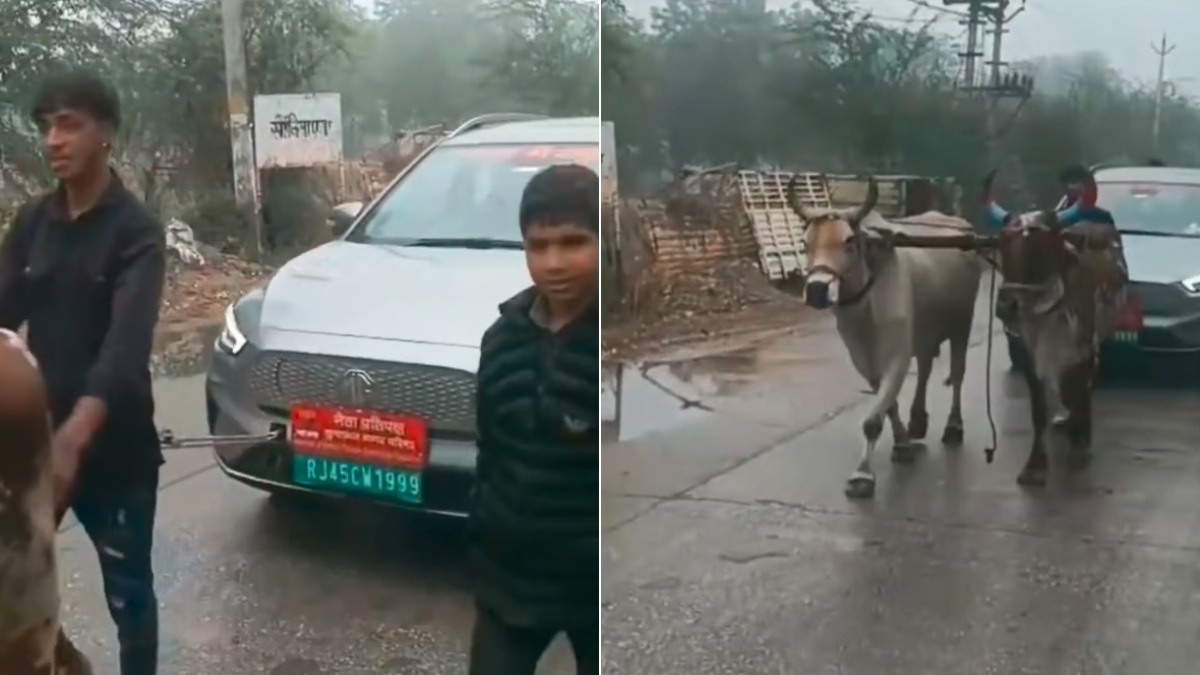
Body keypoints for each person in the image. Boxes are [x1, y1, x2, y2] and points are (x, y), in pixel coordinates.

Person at [0, 70, 166, 675]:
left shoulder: (137, 234)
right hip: (41, 448)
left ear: (105, 132)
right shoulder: (32, 224)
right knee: (14, 581)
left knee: (130, 597)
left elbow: (124, 352)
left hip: (115, 454)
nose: (52, 140)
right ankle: (66, 663)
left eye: (68, 124)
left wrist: (75, 435)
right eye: (45, 126)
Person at [467, 163, 599, 675]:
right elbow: (490, 454)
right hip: (509, 587)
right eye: (538, 246)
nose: (555, 263)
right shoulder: (500, 340)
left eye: (573, 242)